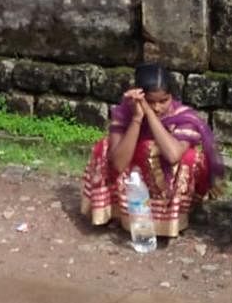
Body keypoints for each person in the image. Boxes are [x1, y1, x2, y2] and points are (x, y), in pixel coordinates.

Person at [80, 63, 224, 239]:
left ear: (172, 97)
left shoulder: (185, 118)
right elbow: (118, 164)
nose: (157, 108)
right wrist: (137, 118)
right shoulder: (127, 114)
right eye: (150, 101)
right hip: (137, 180)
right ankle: (121, 211)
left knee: (187, 157)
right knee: (105, 147)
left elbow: (172, 156)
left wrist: (148, 112)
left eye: (163, 101)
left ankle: (170, 217)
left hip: (167, 179)